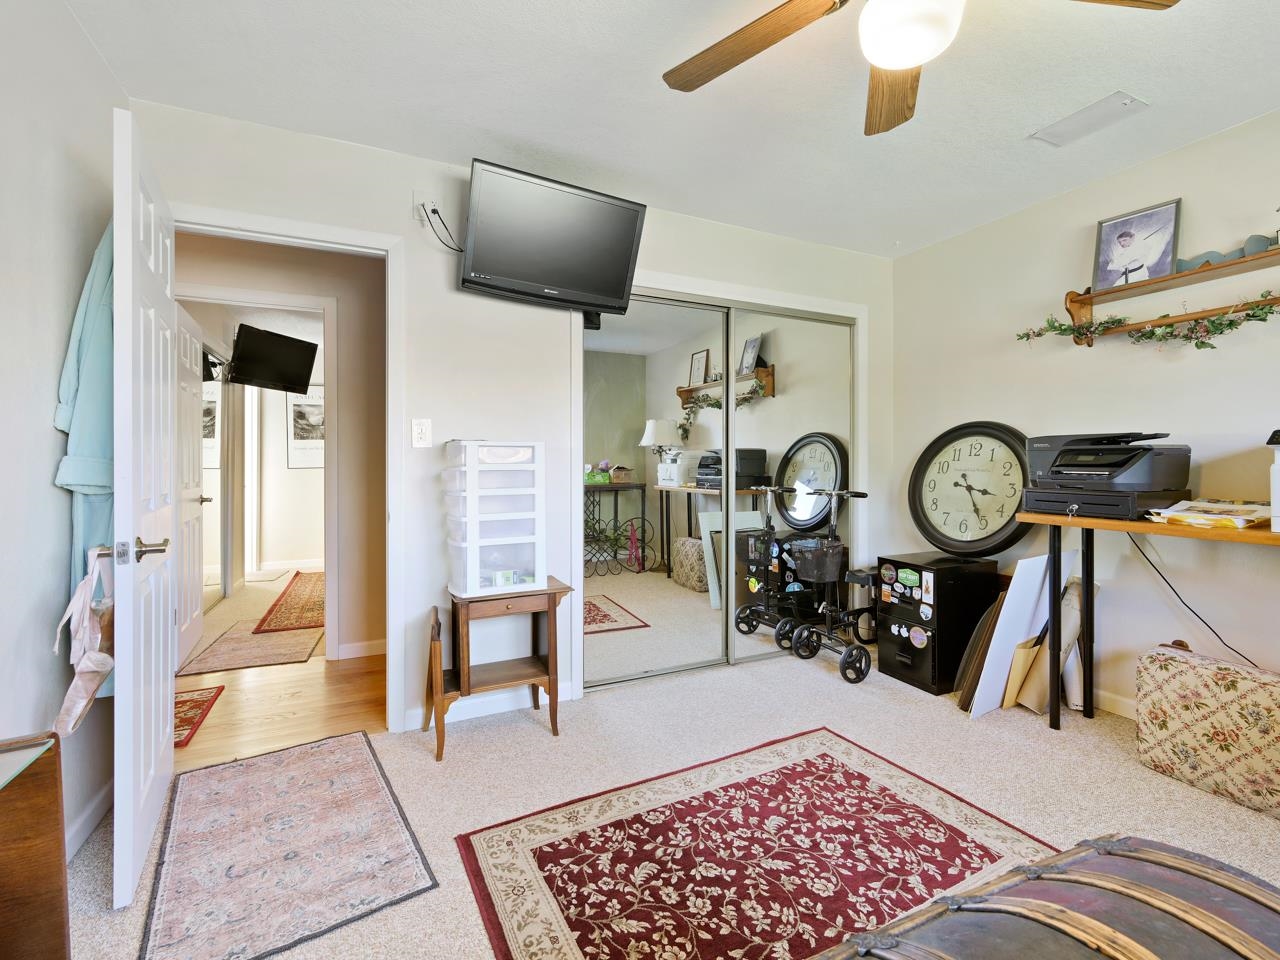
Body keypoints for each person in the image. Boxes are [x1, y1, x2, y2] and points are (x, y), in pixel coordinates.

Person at [1106, 221, 1174, 286]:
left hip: (1136, 275)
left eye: (1124, 240)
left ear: (1133, 237)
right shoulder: (1132, 247)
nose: (1122, 243)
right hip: (1136, 274)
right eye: (1120, 242)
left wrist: (1112, 262)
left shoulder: (1138, 247)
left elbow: (1120, 261)